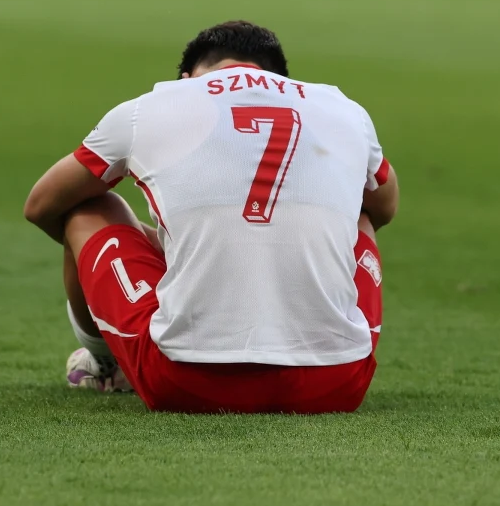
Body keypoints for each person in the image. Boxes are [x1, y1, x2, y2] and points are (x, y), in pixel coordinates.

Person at [24, 22, 398, 414]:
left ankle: (104, 363)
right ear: (279, 80)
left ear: (187, 78)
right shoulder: (341, 109)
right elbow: (384, 206)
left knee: (88, 206)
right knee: (360, 218)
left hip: (186, 383)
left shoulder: (152, 106)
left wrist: (170, 249)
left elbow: (42, 204)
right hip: (336, 384)